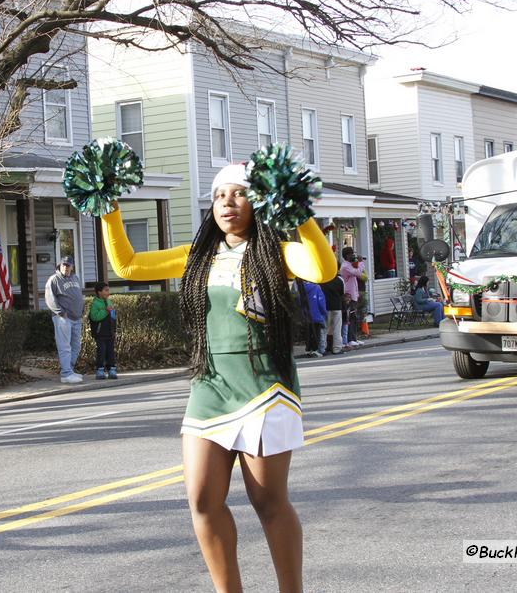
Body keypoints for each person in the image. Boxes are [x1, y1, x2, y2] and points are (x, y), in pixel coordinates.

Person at [98, 163, 336, 592]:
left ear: (259, 203)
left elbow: (323, 270)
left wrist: (300, 214)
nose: (228, 202)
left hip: (265, 385)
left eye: (239, 193)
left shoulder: (279, 253)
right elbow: (129, 265)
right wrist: (107, 207)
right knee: (203, 501)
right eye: (220, 195)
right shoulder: (198, 255)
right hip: (210, 384)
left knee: (268, 502)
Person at [45, 256, 85, 384]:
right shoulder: (54, 279)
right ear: (59, 265)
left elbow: (79, 295)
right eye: (64, 265)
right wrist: (61, 312)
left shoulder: (75, 278)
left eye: (68, 265)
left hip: (76, 317)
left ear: (72, 267)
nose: (66, 267)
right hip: (63, 318)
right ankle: (66, 373)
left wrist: (81, 310)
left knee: (76, 346)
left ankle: (70, 370)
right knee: (65, 347)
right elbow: (50, 298)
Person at [88, 282, 118, 380]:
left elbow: (113, 316)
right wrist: (105, 311)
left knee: (110, 352)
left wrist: (114, 328)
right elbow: (94, 317)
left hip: (110, 332)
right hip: (100, 333)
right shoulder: (95, 303)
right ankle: (100, 370)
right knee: (101, 351)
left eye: (108, 290)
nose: (108, 292)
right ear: (99, 292)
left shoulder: (109, 302)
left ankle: (111, 369)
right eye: (106, 290)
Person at [339, 247, 364, 348]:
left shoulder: (350, 265)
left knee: (354, 317)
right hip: (348, 295)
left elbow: (358, 272)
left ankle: (354, 338)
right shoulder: (345, 266)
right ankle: (349, 339)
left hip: (353, 294)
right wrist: (361, 263)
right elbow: (358, 273)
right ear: (346, 255)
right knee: (349, 318)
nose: (353, 255)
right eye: (351, 254)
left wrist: (358, 263)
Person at [320, 273, 344, 355]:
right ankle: (337, 348)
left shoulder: (322, 280)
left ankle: (323, 348)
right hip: (337, 306)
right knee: (337, 328)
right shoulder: (339, 280)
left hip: (325, 307)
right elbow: (342, 292)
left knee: (325, 328)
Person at [302, 280, 327, 358]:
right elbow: (321, 302)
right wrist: (324, 312)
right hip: (316, 314)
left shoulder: (301, 288)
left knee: (308, 333)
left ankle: (308, 350)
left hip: (306, 315)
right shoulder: (316, 287)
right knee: (316, 333)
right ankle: (315, 350)